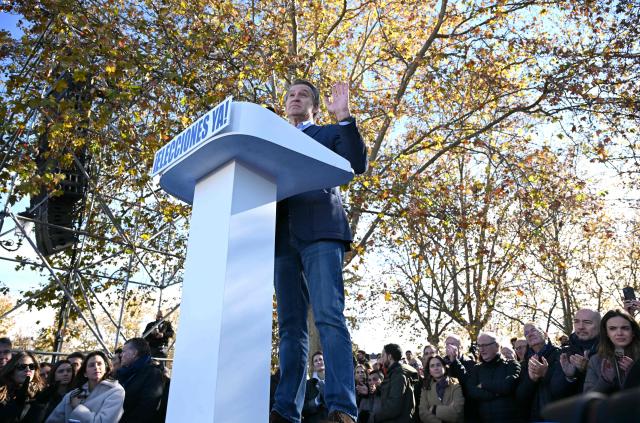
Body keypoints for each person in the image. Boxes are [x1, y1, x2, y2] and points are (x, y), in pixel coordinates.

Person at [270, 79, 367, 423]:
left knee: (328, 316)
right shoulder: (272, 141)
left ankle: (341, 406)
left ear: (313, 106)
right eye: (291, 95)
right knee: (290, 328)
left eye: (304, 95)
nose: (296, 99)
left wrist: (344, 117)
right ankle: (286, 409)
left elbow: (356, 163)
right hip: (282, 241)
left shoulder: (326, 134)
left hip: (321, 235)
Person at [449, 332, 521, 423]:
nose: (481, 349)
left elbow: (508, 386)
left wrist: (483, 384)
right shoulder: (477, 369)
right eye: (479, 346)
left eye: (485, 345)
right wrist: (497, 393)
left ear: (497, 346)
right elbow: (472, 391)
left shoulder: (511, 365)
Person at [46, 351, 124, 422]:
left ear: (106, 369)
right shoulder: (72, 395)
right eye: (91, 365)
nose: (96, 367)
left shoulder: (116, 391)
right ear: (85, 373)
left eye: (99, 364)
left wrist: (78, 408)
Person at [584, 309, 640, 393]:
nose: (619, 333)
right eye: (613, 328)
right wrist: (605, 381)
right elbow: (588, 398)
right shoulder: (595, 361)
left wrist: (635, 373)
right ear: (607, 333)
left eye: (625, 328)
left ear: (633, 332)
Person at [516, 322, 563, 421]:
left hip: (559, 415)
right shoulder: (524, 364)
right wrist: (531, 380)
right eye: (526, 333)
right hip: (535, 417)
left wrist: (546, 373)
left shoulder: (560, 354)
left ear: (545, 334)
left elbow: (565, 387)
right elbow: (521, 396)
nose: (530, 334)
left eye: (533, 330)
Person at [116, 337, 164, 423]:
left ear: (134, 353)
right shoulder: (123, 373)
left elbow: (146, 408)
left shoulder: (153, 374)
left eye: (124, 351)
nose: (120, 355)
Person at [370, 343, 419, 422]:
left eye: (383, 356)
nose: (381, 359)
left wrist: (374, 418)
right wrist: (377, 389)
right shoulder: (393, 372)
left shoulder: (399, 375)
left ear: (389, 357)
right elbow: (390, 390)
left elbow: (394, 407)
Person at [558, 308, 601, 395]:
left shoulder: (611, 348)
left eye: (587, 322)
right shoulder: (565, 352)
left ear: (600, 326)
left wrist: (589, 370)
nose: (581, 327)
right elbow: (557, 394)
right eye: (576, 322)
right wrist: (569, 377)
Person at [0, 351, 46, 422]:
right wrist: (16, 404)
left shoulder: (40, 393)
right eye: (22, 367)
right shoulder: (2, 392)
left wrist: (40, 404)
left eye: (32, 366)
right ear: (12, 371)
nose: (28, 370)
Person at [419, 356, 464, 423]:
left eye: (438, 365)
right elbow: (423, 413)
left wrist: (434, 409)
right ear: (430, 371)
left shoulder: (455, 384)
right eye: (432, 366)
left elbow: (457, 412)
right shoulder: (425, 387)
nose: (436, 368)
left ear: (444, 368)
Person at [302, 351, 328, 423]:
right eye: (315, 361)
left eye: (320, 359)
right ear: (313, 366)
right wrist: (316, 401)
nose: (318, 362)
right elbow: (303, 409)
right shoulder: (307, 385)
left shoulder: (334, 382)